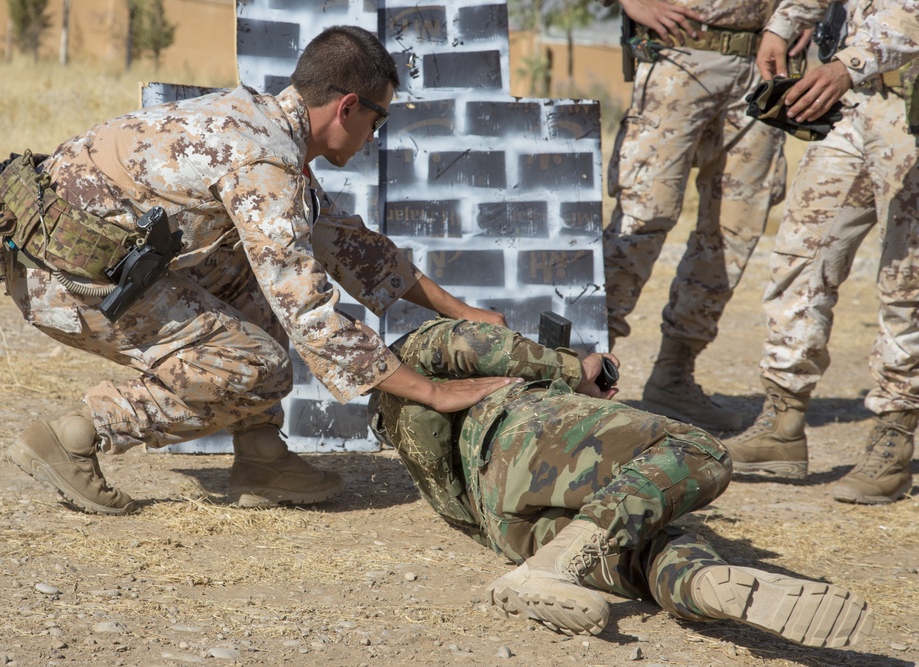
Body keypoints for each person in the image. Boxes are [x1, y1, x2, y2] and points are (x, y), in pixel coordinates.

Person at [0, 26, 518, 515]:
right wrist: (432, 393)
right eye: (380, 119)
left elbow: (348, 245)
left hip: (80, 261)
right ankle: (77, 435)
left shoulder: (258, 123)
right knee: (261, 366)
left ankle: (262, 457)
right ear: (347, 107)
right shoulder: (264, 162)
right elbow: (310, 315)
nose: (376, 136)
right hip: (65, 278)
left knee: (252, 275)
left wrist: (463, 313)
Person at [368, 318, 873, 646]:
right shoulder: (423, 352)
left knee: (644, 546)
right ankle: (552, 567)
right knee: (701, 452)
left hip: (502, 525)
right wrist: (576, 369)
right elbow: (467, 340)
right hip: (518, 432)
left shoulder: (421, 452)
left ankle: (703, 585)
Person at [725, 0, 919, 505]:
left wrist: (848, 64)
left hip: (908, 105)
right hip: (853, 105)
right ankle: (782, 421)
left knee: (907, 278)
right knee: (801, 256)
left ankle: (893, 439)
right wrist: (784, 24)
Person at [602, 0, 801, 432]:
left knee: (733, 230)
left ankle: (673, 377)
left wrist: (799, 20)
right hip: (680, 56)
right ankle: (588, 373)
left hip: (764, 67)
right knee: (641, 219)